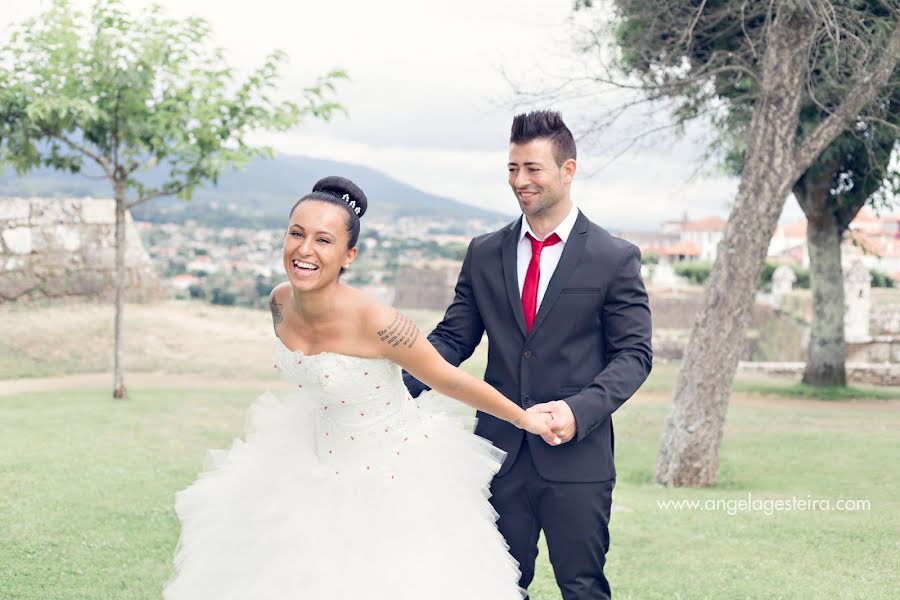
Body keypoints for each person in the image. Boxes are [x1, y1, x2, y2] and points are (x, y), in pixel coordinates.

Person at [163, 175, 559, 600]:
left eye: (323, 240)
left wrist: (523, 418)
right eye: (296, 233)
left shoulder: (380, 322)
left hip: (389, 474)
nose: (304, 250)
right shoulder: (280, 302)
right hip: (308, 459)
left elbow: (446, 378)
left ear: (348, 255)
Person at [403, 110, 653, 600]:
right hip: (498, 454)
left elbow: (634, 355)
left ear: (568, 170)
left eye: (533, 168)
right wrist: (391, 389)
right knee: (494, 587)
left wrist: (578, 410)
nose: (520, 181)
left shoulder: (613, 256)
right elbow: (453, 338)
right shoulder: (483, 252)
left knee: (582, 587)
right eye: (513, 168)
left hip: (577, 459)